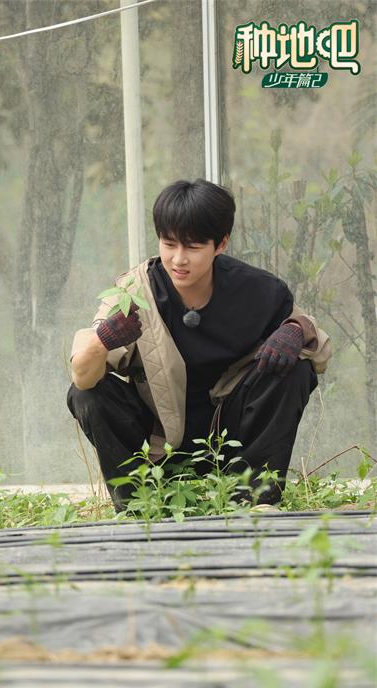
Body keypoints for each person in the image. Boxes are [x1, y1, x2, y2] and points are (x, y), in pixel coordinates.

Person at [67, 179, 331, 512]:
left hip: (232, 438)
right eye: (169, 244)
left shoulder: (257, 290)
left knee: (295, 369)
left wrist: (294, 330)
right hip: (159, 444)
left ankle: (255, 499)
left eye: (193, 247)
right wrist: (103, 340)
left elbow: (317, 348)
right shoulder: (135, 293)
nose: (179, 259)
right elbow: (82, 379)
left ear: (221, 244)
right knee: (88, 395)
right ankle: (138, 506)